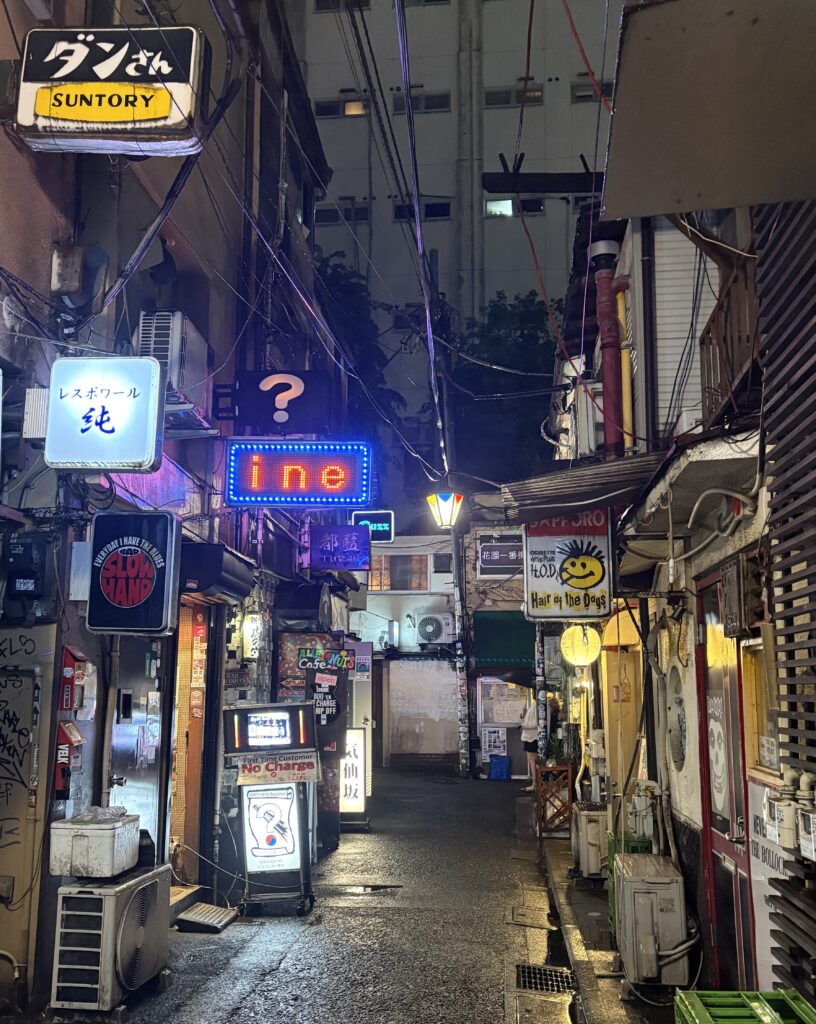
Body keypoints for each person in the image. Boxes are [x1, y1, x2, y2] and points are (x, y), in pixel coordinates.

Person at [520, 693, 539, 792]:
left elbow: (537, 723)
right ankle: (534, 782)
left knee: (532, 760)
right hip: (530, 737)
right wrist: (524, 715)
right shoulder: (535, 705)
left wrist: (524, 726)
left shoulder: (538, 706)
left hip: (533, 737)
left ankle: (535, 783)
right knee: (531, 760)